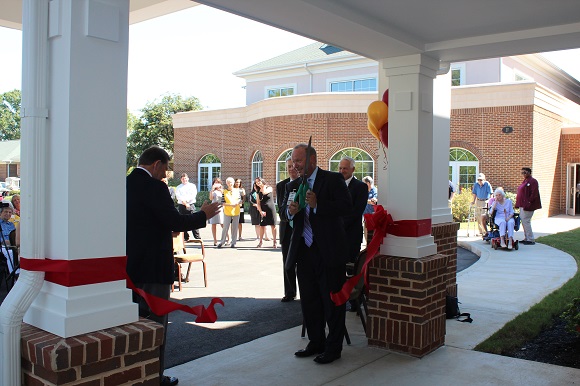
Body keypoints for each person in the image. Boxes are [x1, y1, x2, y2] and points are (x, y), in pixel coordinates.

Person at [126, 146, 221, 386]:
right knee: (156, 325)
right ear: (157, 164)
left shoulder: (124, 183)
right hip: (153, 268)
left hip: (129, 267)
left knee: (132, 325)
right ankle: (155, 377)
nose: (165, 175)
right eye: (165, 169)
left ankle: (134, 373)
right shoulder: (155, 187)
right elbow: (174, 220)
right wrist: (203, 215)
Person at [283, 143, 352, 365]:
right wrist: (291, 212)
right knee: (310, 301)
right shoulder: (293, 185)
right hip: (304, 251)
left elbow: (346, 207)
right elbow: (285, 213)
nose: (295, 165)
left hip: (329, 252)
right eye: (293, 161)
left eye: (299, 161)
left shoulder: (332, 179)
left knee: (331, 301)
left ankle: (333, 348)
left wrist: (318, 204)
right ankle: (316, 342)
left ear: (312, 160)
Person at [338, 157, 368, 311]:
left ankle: (355, 302)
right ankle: (339, 298)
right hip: (336, 237)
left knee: (352, 269)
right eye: (340, 168)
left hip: (351, 236)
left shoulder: (361, 187)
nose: (342, 171)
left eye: (345, 168)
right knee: (337, 268)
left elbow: (356, 212)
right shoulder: (336, 185)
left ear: (352, 170)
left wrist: (337, 225)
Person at [276, 158, 299, 302]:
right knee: (287, 262)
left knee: (302, 263)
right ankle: (289, 292)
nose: (291, 169)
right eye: (289, 166)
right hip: (286, 228)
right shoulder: (281, 186)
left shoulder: (305, 183)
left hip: (300, 229)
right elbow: (281, 208)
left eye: (294, 166)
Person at [516, 167, 542, 245]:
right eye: (522, 173)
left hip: (528, 206)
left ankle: (530, 239)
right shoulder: (525, 181)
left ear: (529, 173)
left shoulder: (533, 181)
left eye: (525, 172)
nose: (523, 174)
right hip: (522, 205)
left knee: (526, 221)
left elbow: (534, 194)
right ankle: (526, 237)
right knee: (524, 222)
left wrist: (528, 203)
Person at [217, 177, 242, 248]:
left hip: (236, 211)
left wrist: (237, 203)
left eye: (231, 182)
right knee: (225, 227)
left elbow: (240, 200)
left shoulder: (237, 190)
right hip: (227, 211)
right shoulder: (224, 192)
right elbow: (222, 202)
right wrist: (230, 204)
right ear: (226, 183)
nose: (229, 184)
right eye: (228, 182)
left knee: (234, 227)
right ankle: (222, 241)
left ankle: (233, 242)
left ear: (233, 183)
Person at [175, 173, 200, 241]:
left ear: (188, 178)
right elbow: (178, 196)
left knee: (194, 220)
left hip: (190, 204)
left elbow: (193, 194)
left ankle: (197, 237)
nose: (184, 180)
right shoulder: (178, 187)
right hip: (182, 205)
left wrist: (187, 201)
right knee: (183, 221)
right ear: (181, 179)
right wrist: (184, 202)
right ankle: (185, 237)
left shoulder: (192, 186)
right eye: (183, 179)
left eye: (185, 178)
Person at [256, 178, 277, 248]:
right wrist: (260, 211)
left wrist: (263, 187)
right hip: (263, 210)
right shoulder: (258, 193)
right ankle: (261, 242)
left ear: (262, 181)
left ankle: (274, 242)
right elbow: (258, 203)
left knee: (273, 225)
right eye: (256, 182)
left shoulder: (269, 188)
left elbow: (265, 192)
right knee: (262, 226)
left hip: (271, 209)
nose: (258, 183)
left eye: (259, 182)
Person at [208, 178, 224, 246]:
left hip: (220, 207)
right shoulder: (213, 191)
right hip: (213, 207)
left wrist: (221, 191)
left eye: (218, 182)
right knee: (213, 224)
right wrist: (212, 189)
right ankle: (215, 240)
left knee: (222, 223)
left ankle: (228, 238)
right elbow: (211, 198)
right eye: (215, 182)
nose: (216, 184)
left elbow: (224, 199)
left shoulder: (222, 191)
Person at [362, 176, 377, 243]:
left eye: (364, 183)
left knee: (372, 232)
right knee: (365, 229)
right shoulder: (365, 190)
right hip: (365, 214)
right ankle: (366, 246)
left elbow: (373, 202)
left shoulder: (374, 191)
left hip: (372, 215)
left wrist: (365, 200)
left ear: (368, 183)